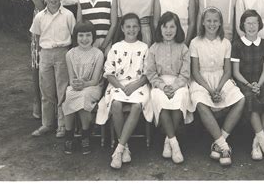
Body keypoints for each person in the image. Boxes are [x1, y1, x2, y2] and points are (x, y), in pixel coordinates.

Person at [95, 13, 153, 170]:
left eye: (135, 26)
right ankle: (125, 145)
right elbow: (109, 73)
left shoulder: (144, 47)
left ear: (139, 28)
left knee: (136, 106)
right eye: (128, 26)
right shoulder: (116, 47)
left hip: (138, 85)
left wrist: (134, 86)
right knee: (116, 104)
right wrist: (120, 87)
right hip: (118, 85)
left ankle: (119, 149)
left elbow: (148, 73)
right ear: (122, 28)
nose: (132, 29)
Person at [189, 7, 245, 166]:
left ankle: (219, 141)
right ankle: (224, 147)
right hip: (202, 81)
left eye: (215, 21)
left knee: (240, 99)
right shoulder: (195, 42)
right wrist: (209, 90)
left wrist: (219, 88)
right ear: (203, 22)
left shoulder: (226, 42)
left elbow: (227, 71)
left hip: (221, 79)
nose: (212, 24)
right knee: (199, 101)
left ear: (220, 23)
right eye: (208, 21)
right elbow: (195, 71)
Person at [231, 10, 264, 162]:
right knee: (251, 99)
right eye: (248, 23)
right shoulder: (237, 44)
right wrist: (249, 85)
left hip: (260, 81)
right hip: (243, 82)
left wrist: (258, 84)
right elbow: (236, 72)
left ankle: (257, 142)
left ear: (260, 25)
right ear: (242, 25)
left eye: (255, 23)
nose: (252, 26)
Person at [30, 0, 76, 138]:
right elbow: (36, 36)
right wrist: (43, 52)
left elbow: (73, 34)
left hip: (62, 52)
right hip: (46, 54)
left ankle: (62, 125)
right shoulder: (39, 16)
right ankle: (47, 123)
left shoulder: (68, 15)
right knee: (47, 90)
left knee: (62, 89)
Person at [145, 12, 192, 164]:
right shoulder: (154, 48)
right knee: (159, 99)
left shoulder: (183, 48)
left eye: (172, 27)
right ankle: (174, 143)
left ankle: (168, 140)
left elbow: (185, 74)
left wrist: (175, 86)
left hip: (179, 83)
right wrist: (163, 86)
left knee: (181, 98)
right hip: (160, 84)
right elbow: (151, 73)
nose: (169, 30)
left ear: (178, 29)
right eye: (165, 27)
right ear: (160, 29)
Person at [30, 0, 63, 119]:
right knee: (38, 60)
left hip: (61, 15)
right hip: (42, 15)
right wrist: (47, 15)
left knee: (58, 58)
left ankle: (58, 105)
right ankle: (37, 100)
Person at [62, 21, 104, 155]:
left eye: (88, 35)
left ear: (93, 37)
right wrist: (75, 84)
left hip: (93, 87)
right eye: (81, 35)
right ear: (76, 37)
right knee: (69, 95)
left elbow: (95, 80)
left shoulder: (98, 54)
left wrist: (83, 84)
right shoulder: (70, 54)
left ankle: (85, 135)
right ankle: (69, 135)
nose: (84, 39)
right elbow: (71, 78)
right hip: (76, 86)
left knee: (84, 96)